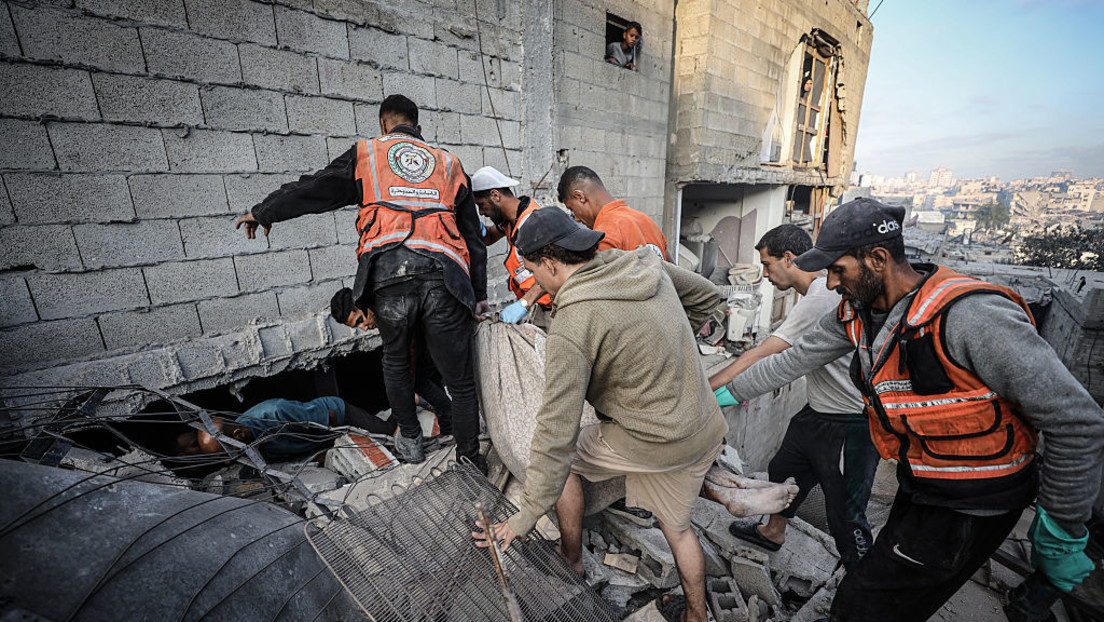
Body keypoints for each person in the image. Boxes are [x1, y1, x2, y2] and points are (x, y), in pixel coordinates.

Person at [718, 198, 1104, 621]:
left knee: (864, 608)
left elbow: (1076, 421)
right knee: (881, 594)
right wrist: (723, 395)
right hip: (920, 481)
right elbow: (790, 361)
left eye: (837, 270)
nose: (828, 284)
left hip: (974, 504)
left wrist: (1062, 528)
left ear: (878, 258)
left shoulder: (970, 317)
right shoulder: (857, 313)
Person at [473, 207, 728, 622]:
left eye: (533, 272)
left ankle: (571, 557)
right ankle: (697, 616)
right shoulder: (643, 262)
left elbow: (555, 437)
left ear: (551, 263)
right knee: (678, 531)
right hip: (703, 426)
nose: (536, 282)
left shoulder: (573, 324)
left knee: (563, 461)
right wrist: (668, 348)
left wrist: (524, 516)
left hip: (656, 438)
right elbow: (706, 297)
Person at [234, 94, 488, 472]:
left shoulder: (367, 153)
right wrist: (478, 295)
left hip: (388, 275)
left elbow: (316, 188)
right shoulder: (449, 163)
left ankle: (412, 443)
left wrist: (265, 211)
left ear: (383, 126)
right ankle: (470, 460)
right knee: (461, 380)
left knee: (397, 363)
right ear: (419, 130)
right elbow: (473, 238)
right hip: (444, 275)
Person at [709, 224, 879, 570]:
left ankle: (862, 588)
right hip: (817, 410)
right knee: (785, 469)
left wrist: (709, 387)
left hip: (850, 423)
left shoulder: (820, 298)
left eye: (768, 265)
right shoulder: (815, 295)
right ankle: (773, 532)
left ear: (789, 258)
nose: (766, 275)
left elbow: (766, 355)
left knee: (845, 512)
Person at [329, 288, 454, 439]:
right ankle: (449, 430)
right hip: (429, 345)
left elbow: (409, 349)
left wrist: (408, 386)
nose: (364, 328)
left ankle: (455, 425)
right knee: (426, 382)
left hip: (441, 334)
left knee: (418, 382)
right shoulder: (381, 312)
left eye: (360, 320)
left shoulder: (387, 310)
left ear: (362, 304)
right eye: (357, 327)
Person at [175, 397, 390, 459]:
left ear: (238, 434)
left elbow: (330, 418)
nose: (231, 457)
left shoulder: (275, 413)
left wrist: (342, 440)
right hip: (313, 438)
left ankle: (409, 401)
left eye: (229, 452)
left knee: (389, 435)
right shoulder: (246, 441)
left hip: (337, 415)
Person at [470, 166, 553, 326]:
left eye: (481, 205)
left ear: (495, 195)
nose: (481, 212)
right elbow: (489, 237)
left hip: (554, 306)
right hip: (540, 304)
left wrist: (524, 304)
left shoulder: (532, 221)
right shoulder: (510, 219)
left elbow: (550, 270)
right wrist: (471, 227)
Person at [556, 166, 667, 260]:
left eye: (572, 209)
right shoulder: (647, 221)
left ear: (580, 197)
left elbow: (596, 282)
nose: (577, 219)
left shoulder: (605, 233)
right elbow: (674, 272)